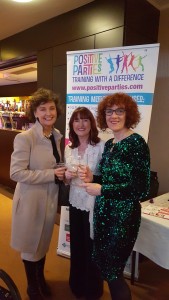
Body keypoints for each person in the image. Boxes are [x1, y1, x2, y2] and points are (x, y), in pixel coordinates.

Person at [80, 93, 150, 300]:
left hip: (123, 217)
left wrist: (102, 189)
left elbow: (141, 187)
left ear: (129, 114)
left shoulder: (136, 143)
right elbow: (108, 177)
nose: (114, 116)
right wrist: (94, 177)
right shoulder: (110, 143)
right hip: (103, 214)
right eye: (109, 111)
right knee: (106, 267)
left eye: (120, 111)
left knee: (113, 271)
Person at [10, 88, 66, 300]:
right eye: (42, 109)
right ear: (35, 112)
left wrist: (63, 173)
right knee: (30, 245)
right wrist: (52, 174)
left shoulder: (56, 136)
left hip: (50, 199)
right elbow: (16, 173)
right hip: (31, 201)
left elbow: (54, 165)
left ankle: (40, 278)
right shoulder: (25, 138)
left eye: (51, 108)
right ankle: (32, 286)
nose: (48, 113)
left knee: (42, 243)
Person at [64, 107, 105, 300]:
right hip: (75, 202)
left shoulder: (101, 146)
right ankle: (76, 284)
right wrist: (66, 176)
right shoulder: (69, 148)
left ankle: (92, 289)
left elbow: (106, 177)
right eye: (76, 120)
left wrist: (93, 177)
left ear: (91, 123)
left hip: (94, 204)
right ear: (72, 125)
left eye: (85, 120)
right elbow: (66, 180)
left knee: (92, 248)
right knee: (77, 245)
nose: (81, 124)